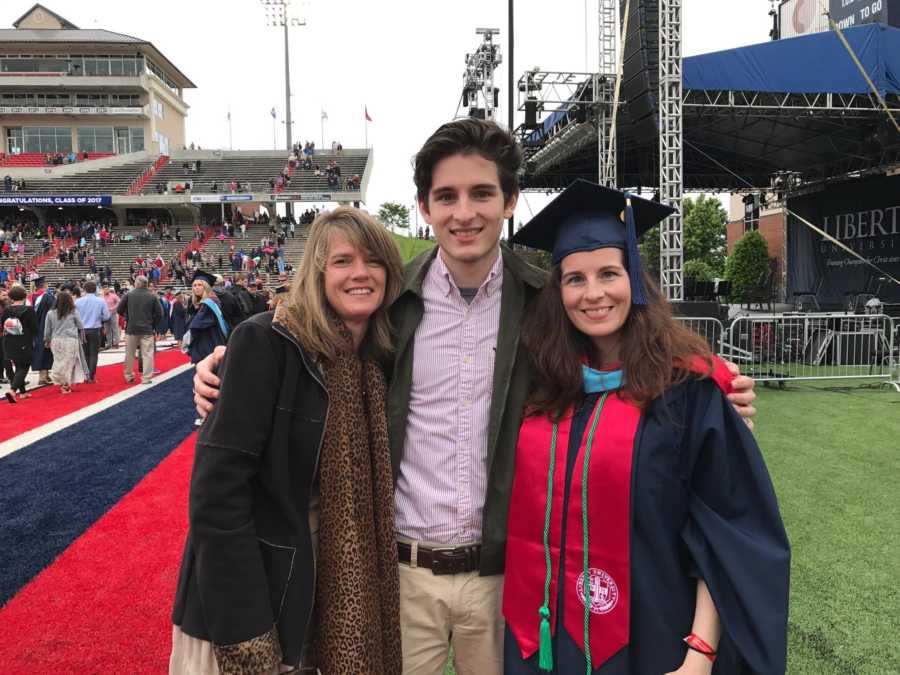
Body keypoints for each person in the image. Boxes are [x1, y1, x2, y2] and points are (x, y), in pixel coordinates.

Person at [193, 118, 759, 674]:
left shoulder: (546, 305)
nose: (465, 213)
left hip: (508, 579)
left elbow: (620, 362)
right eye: (447, 196)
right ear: (425, 207)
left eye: (482, 193)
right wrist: (226, 363)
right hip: (400, 575)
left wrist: (711, 391)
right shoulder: (393, 302)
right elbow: (316, 348)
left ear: (510, 200)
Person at [502, 180, 790, 674]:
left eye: (608, 273)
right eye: (575, 279)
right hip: (546, 641)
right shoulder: (542, 385)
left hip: (656, 638)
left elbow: (727, 530)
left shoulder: (686, 390)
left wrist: (699, 655)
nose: (593, 294)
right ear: (558, 290)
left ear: (635, 278)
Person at [170, 207, 405, 674]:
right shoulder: (267, 342)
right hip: (253, 602)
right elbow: (218, 497)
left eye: (373, 261)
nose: (360, 273)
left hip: (321, 589)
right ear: (317, 272)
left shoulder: (376, 362)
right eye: (342, 261)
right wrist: (248, 634)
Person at [117, 275, 162, 384]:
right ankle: (146, 378)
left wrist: (128, 316)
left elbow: (119, 310)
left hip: (131, 329)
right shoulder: (152, 296)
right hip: (147, 329)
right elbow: (160, 314)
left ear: (136, 284)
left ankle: (128, 375)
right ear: (146, 284)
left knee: (130, 354)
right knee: (147, 354)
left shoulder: (128, 295)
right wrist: (154, 326)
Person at [44, 289, 88, 394]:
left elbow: (47, 330)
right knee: (69, 363)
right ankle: (65, 384)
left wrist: (47, 340)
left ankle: (60, 379)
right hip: (70, 340)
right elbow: (80, 325)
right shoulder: (73, 311)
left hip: (56, 340)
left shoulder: (50, 313)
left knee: (58, 361)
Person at [2, 285, 38, 403]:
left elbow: (2, 325)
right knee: (24, 367)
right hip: (24, 341)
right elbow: (34, 328)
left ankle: (23, 392)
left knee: (18, 366)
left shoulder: (7, 310)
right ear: (24, 296)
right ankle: (13, 391)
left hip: (9, 341)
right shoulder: (29, 310)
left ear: (11, 297)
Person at [75, 280, 110, 382]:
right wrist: (99, 318)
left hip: (82, 330)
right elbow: (107, 316)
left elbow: (74, 316)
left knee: (85, 353)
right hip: (95, 329)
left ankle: (86, 375)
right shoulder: (100, 301)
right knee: (94, 353)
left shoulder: (78, 301)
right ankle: (91, 375)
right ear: (95, 289)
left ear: (84, 289)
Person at [29, 276, 55, 385]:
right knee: (46, 350)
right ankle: (43, 376)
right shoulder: (48, 297)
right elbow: (54, 311)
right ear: (45, 285)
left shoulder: (30, 298)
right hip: (45, 327)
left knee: (38, 350)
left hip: (33, 329)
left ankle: (46, 375)